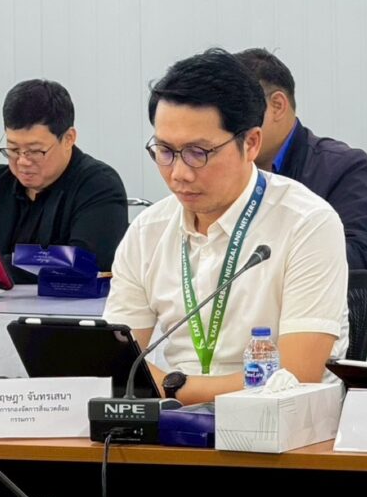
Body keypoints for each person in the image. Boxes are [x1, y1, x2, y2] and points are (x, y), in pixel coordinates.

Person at [103, 49, 349, 404]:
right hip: (171, 424)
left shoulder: (306, 223)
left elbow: (296, 377)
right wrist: (156, 388)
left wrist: (170, 387)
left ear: (251, 143)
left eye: (198, 153)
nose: (179, 173)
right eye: (165, 151)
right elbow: (114, 363)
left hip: (277, 426)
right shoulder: (148, 231)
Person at [0, 80, 127, 285]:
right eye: (13, 149)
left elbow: (83, 265)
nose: (23, 161)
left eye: (35, 151)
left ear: (68, 138)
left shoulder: (99, 185)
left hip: (64, 306)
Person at [235, 48, 367, 286]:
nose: (227, 127)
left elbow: (359, 259)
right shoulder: (225, 172)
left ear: (277, 105)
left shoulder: (346, 169)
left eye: (236, 114)